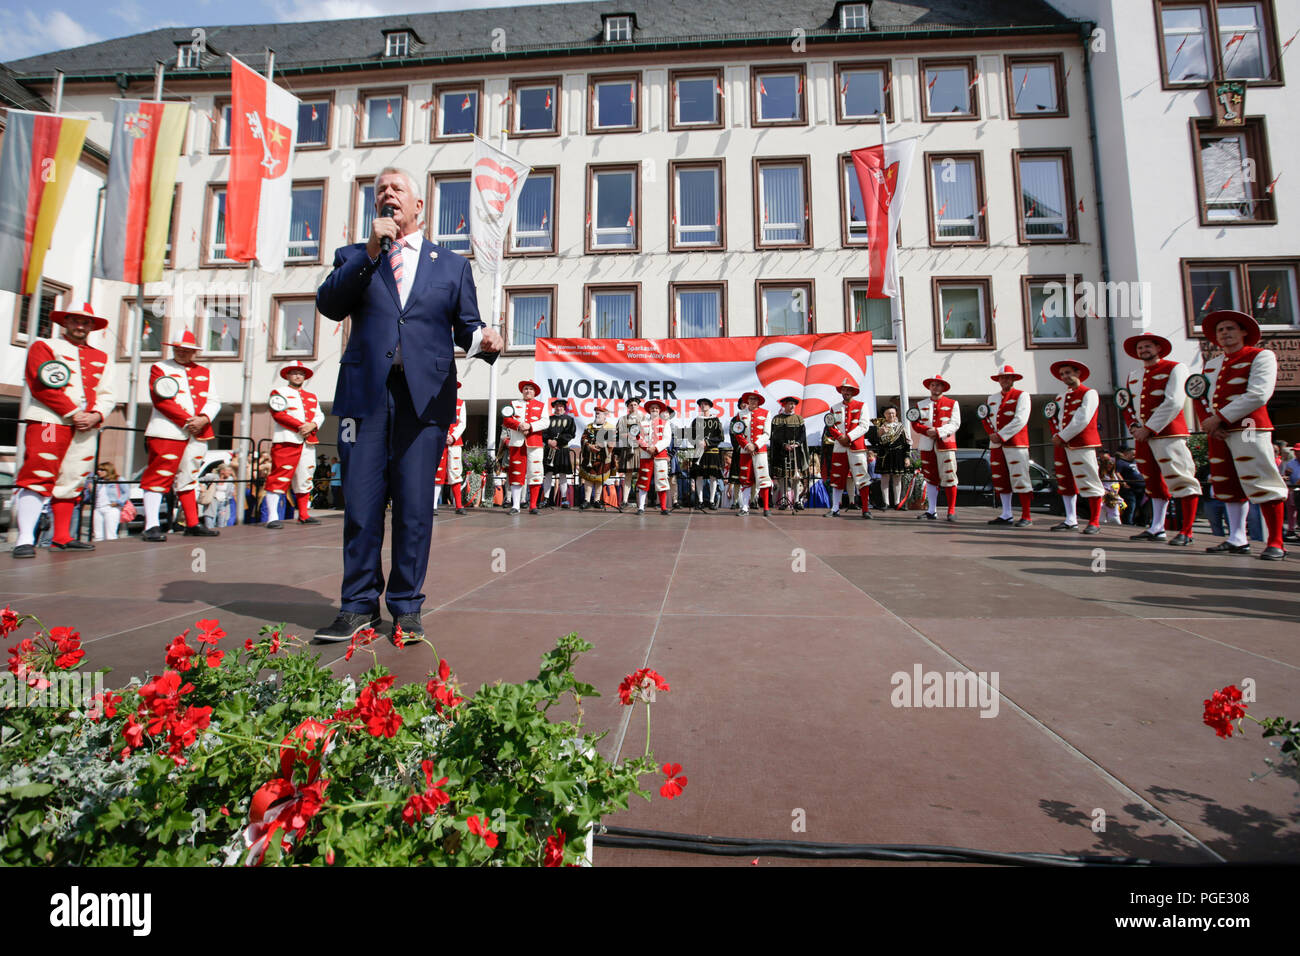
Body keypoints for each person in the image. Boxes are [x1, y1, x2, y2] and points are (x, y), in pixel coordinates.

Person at [314, 166, 502, 642]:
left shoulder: (451, 265)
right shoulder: (355, 256)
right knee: (360, 504)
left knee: (415, 508)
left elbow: (467, 326)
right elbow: (330, 305)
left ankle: (406, 606)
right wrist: (372, 251)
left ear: (419, 206)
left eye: (398, 189)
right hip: (366, 398)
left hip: (425, 399)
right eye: (381, 191)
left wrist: (485, 338)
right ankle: (357, 605)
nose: (388, 195)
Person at [12, 303, 117, 558]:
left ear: (92, 326)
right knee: (39, 471)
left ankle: (62, 536)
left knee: (74, 477)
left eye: (86, 322)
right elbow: (41, 384)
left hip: (86, 424)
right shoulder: (44, 346)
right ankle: (25, 538)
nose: (80, 326)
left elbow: (108, 393)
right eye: (75, 321)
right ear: (65, 322)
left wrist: (96, 414)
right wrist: (73, 413)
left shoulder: (102, 357)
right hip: (50, 420)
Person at [1196, 310, 1288, 560]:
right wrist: (1210, 422)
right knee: (1227, 483)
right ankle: (1237, 538)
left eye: (1230, 328)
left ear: (1244, 331)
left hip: (1249, 427)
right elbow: (1201, 395)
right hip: (1220, 431)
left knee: (1261, 480)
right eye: (1220, 330)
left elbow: (1259, 393)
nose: (1225, 333)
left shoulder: (1261, 356)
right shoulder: (1213, 364)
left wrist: (1220, 417)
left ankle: (1276, 542)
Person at [139, 328, 220, 541]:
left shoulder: (204, 372)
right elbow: (161, 399)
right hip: (168, 430)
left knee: (190, 477)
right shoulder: (160, 367)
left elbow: (213, 400)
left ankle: (191, 523)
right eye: (179, 349)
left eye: (187, 350)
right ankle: (151, 525)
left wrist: (203, 418)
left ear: (194, 352)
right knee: (159, 476)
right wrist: (188, 421)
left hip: (198, 432)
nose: (183, 353)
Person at [1121, 333, 1201, 546]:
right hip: (1143, 436)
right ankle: (1157, 528)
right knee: (1153, 482)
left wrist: (1149, 428)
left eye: (1148, 346)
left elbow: (1174, 401)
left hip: (1169, 433)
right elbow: (1127, 405)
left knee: (1181, 478)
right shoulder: (1134, 374)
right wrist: (1135, 427)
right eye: (1140, 347)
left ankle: (1187, 531)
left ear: (1158, 347)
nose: (1143, 350)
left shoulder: (1176, 368)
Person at [263, 360, 325, 530]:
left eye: (301, 373)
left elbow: (319, 415)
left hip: (308, 441)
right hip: (287, 439)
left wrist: (312, 425)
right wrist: (300, 426)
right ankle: (272, 516)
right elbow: (278, 413)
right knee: (280, 477)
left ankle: (303, 514)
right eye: (295, 372)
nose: (298, 376)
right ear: (288, 375)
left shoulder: (312, 396)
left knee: (306, 476)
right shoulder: (279, 392)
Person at [1047, 360, 1104, 535]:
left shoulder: (1089, 393)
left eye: (1068, 373)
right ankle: (1070, 519)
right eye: (1062, 374)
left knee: (1089, 479)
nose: (1065, 377)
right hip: (1063, 444)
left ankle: (1095, 521)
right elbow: (1056, 419)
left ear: (1078, 373)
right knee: (1065, 481)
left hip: (1082, 443)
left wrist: (1062, 436)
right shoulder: (1060, 397)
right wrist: (1058, 435)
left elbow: (1082, 418)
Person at [985, 365, 1035, 527]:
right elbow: (986, 418)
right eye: (1002, 377)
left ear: (1014, 379)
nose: (1004, 380)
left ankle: (1026, 515)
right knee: (1001, 479)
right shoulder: (992, 398)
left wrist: (1001, 435)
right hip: (996, 445)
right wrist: (991, 435)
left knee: (1020, 478)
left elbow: (1020, 419)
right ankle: (1006, 514)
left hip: (1016, 444)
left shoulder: (1022, 395)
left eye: (1008, 377)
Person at [910, 374, 961, 522]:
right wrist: (927, 431)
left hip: (945, 444)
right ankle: (931, 510)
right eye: (933, 385)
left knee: (950, 476)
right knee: (930, 478)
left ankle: (951, 510)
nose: (935, 387)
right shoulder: (921, 404)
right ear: (929, 387)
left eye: (938, 385)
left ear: (943, 387)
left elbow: (955, 424)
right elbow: (915, 423)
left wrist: (938, 431)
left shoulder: (953, 403)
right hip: (927, 445)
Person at [823, 379, 873, 519]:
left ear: (853, 392)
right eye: (844, 389)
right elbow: (831, 425)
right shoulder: (834, 407)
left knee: (862, 477)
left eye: (849, 389)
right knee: (837, 477)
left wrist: (849, 437)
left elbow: (864, 426)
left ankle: (865, 509)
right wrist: (840, 437)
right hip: (839, 447)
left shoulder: (862, 406)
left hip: (857, 448)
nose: (846, 392)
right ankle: (835, 509)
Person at [502, 380, 549, 515]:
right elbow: (507, 419)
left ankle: (533, 505)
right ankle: (515, 505)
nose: (528, 391)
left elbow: (545, 422)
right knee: (516, 473)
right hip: (517, 443)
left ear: (535, 392)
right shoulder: (514, 404)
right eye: (526, 389)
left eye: (530, 389)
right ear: (522, 391)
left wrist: (531, 426)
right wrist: (519, 425)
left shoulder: (541, 405)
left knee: (535, 473)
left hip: (534, 443)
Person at [728, 391, 773, 516]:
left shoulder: (766, 413)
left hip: (760, 451)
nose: (752, 401)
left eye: (755, 399)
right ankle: (745, 507)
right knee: (745, 479)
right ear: (747, 401)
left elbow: (767, 433)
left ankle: (766, 508)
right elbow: (737, 432)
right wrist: (747, 445)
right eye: (750, 399)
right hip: (745, 451)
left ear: (759, 401)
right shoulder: (740, 414)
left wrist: (755, 445)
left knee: (763, 478)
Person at [769, 396, 809, 511]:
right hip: (781, 451)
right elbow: (775, 436)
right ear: (784, 405)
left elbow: (803, 434)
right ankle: (783, 500)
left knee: (796, 478)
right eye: (789, 404)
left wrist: (797, 443)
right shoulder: (777, 419)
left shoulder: (799, 419)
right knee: (782, 477)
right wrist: (783, 445)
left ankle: (796, 501)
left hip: (795, 451)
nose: (792, 406)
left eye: (793, 404)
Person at [433, 383, 467, 515]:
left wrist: (453, 436)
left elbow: (462, 423)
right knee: (437, 472)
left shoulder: (460, 403)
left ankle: (459, 505)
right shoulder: (436, 402)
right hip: (439, 442)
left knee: (455, 471)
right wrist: (442, 435)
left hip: (455, 442)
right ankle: (433, 506)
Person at [868, 406, 910, 510]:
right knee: (885, 478)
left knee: (897, 478)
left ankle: (897, 503)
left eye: (893, 413)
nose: (891, 415)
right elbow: (874, 443)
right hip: (884, 455)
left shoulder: (901, 426)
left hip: (898, 455)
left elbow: (906, 443)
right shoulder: (879, 427)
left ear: (896, 414)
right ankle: (885, 502)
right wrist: (879, 433)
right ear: (885, 415)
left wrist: (907, 457)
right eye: (888, 413)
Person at [635, 399, 673, 515]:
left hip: (660, 455)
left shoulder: (665, 423)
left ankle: (663, 507)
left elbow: (667, 439)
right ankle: (641, 507)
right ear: (649, 410)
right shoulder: (642, 424)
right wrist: (647, 448)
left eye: (656, 408)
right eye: (652, 408)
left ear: (659, 410)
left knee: (661, 480)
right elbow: (638, 438)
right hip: (646, 455)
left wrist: (655, 448)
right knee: (643, 480)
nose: (654, 410)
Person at [689, 397, 725, 511]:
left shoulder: (716, 420)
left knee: (713, 476)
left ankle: (711, 501)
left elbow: (720, 437)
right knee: (699, 476)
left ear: (710, 406)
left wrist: (707, 442)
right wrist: (698, 443)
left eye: (705, 404)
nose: (703, 406)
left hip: (712, 451)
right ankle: (700, 501)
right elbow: (691, 436)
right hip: (699, 451)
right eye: (701, 404)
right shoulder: (696, 420)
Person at [541, 398, 576, 509]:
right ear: (554, 407)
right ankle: (546, 499)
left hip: (562, 449)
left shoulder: (569, 419)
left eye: (561, 406)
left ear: (564, 408)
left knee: (563, 474)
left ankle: (564, 499)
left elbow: (571, 434)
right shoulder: (548, 419)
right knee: (547, 475)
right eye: (557, 406)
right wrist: (548, 441)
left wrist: (558, 441)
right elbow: (543, 432)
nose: (559, 408)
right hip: (549, 449)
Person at [579, 407, 616, 509]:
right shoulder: (589, 426)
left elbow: (612, 442)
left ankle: (597, 500)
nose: (597, 415)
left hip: (603, 457)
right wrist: (589, 446)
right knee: (588, 479)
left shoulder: (610, 427)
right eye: (596, 413)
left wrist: (601, 446)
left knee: (600, 479)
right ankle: (586, 500)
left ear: (605, 415)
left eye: (599, 414)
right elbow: (583, 438)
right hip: (590, 457)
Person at [616, 398, 646, 510]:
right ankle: (625, 500)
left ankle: (641, 503)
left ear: (638, 406)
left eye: (635, 405)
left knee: (640, 476)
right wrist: (628, 435)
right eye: (631, 405)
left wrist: (638, 436)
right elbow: (619, 434)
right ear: (628, 407)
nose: (633, 407)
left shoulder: (643, 418)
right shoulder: (623, 419)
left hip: (640, 449)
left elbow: (646, 433)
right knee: (628, 475)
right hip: (627, 449)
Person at [87, 463, 129, 541]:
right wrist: (91, 490)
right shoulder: (99, 481)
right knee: (97, 535)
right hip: (98, 508)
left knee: (110, 534)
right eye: (98, 470)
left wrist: (118, 502)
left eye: (102, 470)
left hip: (111, 508)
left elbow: (126, 493)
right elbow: (95, 496)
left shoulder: (118, 479)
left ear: (108, 470)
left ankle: (110, 550)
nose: (99, 472)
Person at [1113, 447, 1146, 528]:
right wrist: (1123, 483)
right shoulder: (1121, 462)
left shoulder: (1136, 462)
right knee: (1131, 505)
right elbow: (1117, 473)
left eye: (1135, 454)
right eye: (1133, 454)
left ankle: (1138, 522)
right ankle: (1128, 523)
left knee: (1139, 506)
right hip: (1130, 488)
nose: (1134, 456)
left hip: (1140, 488)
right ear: (1126, 454)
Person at [203, 464, 235, 530]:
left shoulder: (230, 479)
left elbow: (231, 491)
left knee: (222, 521)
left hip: (223, 502)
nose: (230, 472)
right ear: (222, 471)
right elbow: (200, 480)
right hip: (213, 500)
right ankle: (210, 531)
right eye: (228, 471)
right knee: (210, 517)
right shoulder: (213, 477)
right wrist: (202, 487)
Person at [1099, 454, 1125, 524]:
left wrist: (1114, 491)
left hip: (1112, 498)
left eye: (1111, 467)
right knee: (1101, 518)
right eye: (1107, 467)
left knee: (1114, 517)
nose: (1109, 468)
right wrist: (1105, 492)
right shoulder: (1099, 474)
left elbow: (1116, 484)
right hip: (1102, 497)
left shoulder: (1113, 475)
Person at [1283, 446, 1300, 542]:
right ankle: (1291, 530)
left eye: (1298, 451)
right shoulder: (1290, 463)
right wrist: (1286, 476)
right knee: (1291, 510)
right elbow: (1286, 476)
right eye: (1296, 452)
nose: (1297, 453)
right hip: (1293, 489)